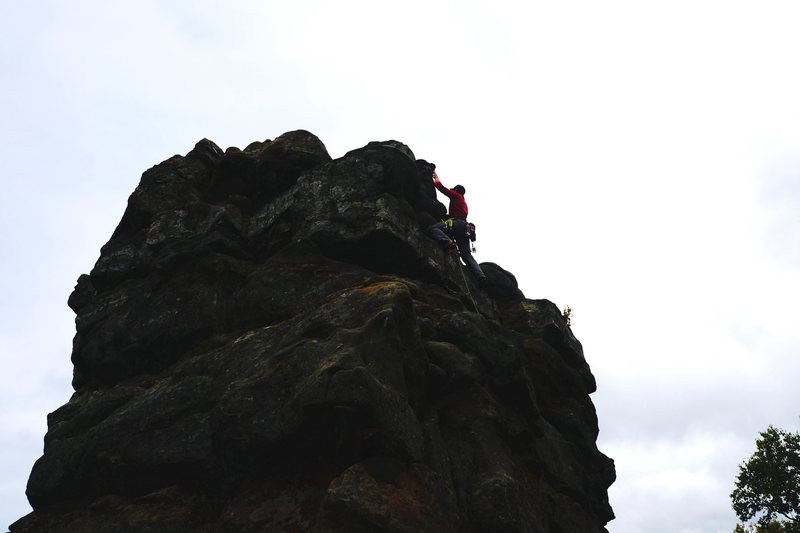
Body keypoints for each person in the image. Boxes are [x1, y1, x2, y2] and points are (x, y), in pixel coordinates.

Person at [426, 171, 486, 284]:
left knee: (433, 229)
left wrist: (436, 177)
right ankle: (480, 276)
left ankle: (448, 242)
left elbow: (439, 186)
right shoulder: (463, 202)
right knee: (466, 255)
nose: (452, 191)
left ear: (457, 191)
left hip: (457, 224)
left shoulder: (456, 196)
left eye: (454, 190)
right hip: (464, 228)